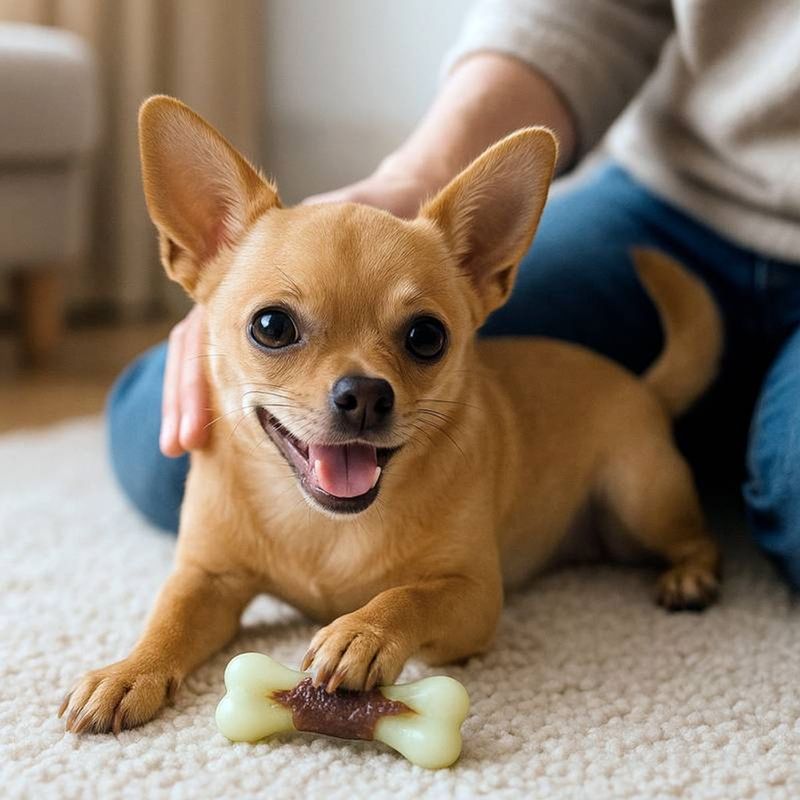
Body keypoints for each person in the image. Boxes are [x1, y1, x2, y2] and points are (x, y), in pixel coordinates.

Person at [108, 0, 800, 589]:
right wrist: (408, 182)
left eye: (420, 338)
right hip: (677, 196)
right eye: (275, 327)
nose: (361, 390)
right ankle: (731, 428)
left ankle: (714, 440)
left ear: (481, 269)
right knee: (163, 430)